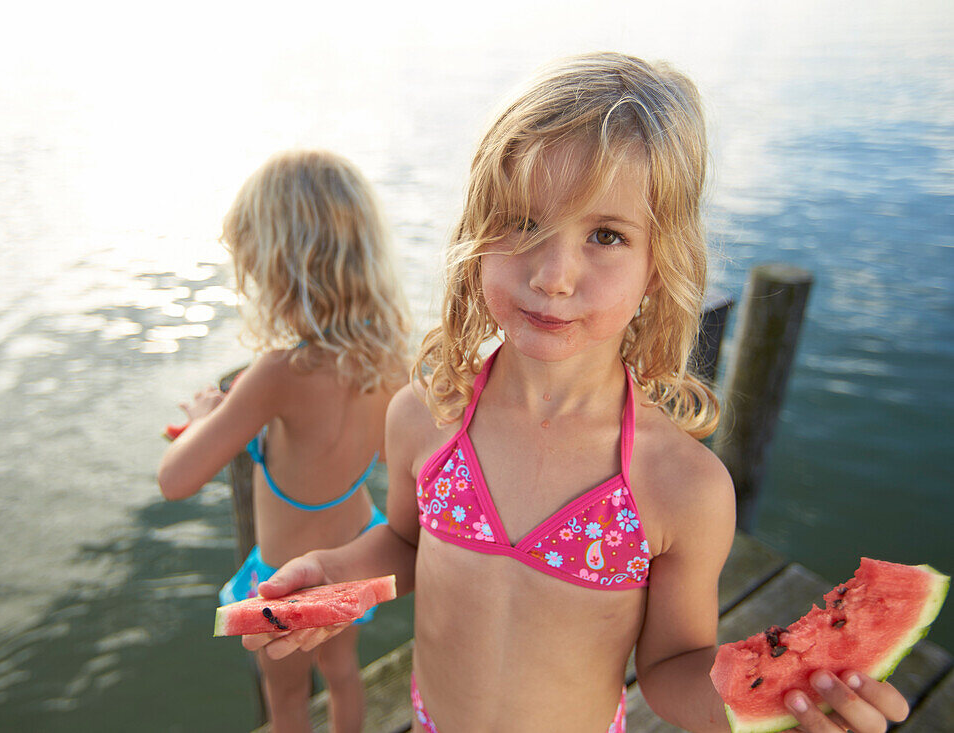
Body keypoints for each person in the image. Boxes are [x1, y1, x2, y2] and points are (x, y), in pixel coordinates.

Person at [238, 54, 913, 732]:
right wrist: (340, 571)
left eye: (605, 235)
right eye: (523, 222)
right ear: (477, 235)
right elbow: (409, 545)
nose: (554, 274)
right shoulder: (426, 416)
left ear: (659, 265)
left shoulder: (681, 485)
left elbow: (673, 664)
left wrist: (776, 705)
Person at [157, 149, 410, 733]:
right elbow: (381, 455)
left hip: (284, 572)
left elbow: (176, 480)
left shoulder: (277, 373)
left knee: (286, 699)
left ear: (274, 266)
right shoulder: (389, 359)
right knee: (344, 674)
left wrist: (203, 418)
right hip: (356, 547)